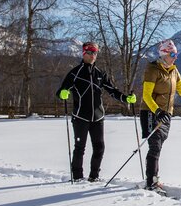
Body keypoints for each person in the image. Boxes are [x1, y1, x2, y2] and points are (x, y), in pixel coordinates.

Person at [57, 41, 136, 182]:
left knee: (99, 147)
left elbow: (112, 90)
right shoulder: (75, 73)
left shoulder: (100, 73)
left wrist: (126, 98)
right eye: (90, 52)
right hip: (80, 116)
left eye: (95, 53)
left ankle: (94, 176)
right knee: (80, 148)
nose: (93, 55)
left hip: (98, 117)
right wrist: (63, 92)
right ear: (84, 53)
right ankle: (77, 177)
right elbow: (62, 90)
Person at [140, 39, 181, 194]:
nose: (175, 57)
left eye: (176, 54)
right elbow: (146, 95)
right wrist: (157, 111)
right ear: (164, 54)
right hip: (150, 112)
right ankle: (151, 181)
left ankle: (153, 178)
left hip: (166, 114)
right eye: (173, 54)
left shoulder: (174, 70)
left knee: (159, 144)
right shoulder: (153, 69)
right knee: (155, 145)